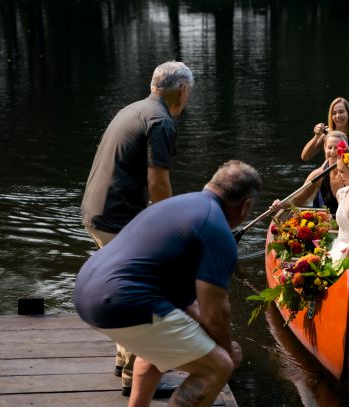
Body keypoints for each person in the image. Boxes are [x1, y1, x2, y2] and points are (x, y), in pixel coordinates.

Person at [74, 160, 262, 407]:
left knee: (156, 349)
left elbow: (185, 306)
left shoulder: (177, 205)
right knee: (217, 366)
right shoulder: (217, 229)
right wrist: (226, 349)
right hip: (122, 300)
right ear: (246, 205)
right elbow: (215, 312)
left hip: (86, 291)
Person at [80, 60, 193, 395]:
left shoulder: (133, 109)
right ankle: (135, 374)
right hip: (116, 218)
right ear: (182, 90)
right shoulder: (161, 121)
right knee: (147, 289)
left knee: (124, 287)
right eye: (189, 93)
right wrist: (169, 229)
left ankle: (122, 360)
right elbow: (158, 182)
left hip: (97, 212)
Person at [290, 131, 348, 214]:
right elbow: (297, 200)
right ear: (324, 148)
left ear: (345, 149)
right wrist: (280, 204)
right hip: (330, 223)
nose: (332, 151)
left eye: (336, 148)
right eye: (329, 147)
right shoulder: (318, 174)